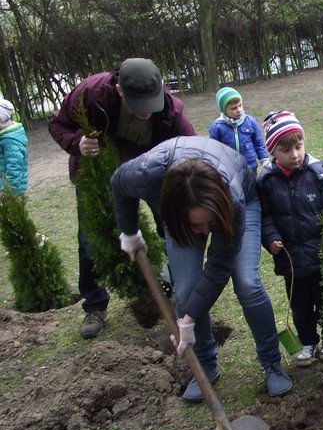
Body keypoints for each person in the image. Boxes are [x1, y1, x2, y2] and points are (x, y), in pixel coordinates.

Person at [111, 136, 292, 402]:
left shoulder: (233, 198)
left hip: (236, 201)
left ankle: (271, 362)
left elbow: (219, 265)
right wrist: (129, 232)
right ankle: (205, 366)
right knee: (185, 291)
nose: (206, 232)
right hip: (182, 209)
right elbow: (118, 182)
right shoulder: (145, 173)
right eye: (199, 226)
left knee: (247, 283)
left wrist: (189, 318)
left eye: (209, 224)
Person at [49, 58, 195, 339]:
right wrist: (76, 143)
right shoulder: (91, 94)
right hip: (100, 172)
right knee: (90, 239)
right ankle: (95, 305)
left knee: (172, 226)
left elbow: (191, 149)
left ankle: (182, 290)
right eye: (140, 106)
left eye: (150, 105)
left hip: (149, 171)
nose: (146, 113)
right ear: (119, 91)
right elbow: (58, 125)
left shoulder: (170, 112)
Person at [258, 111, 323, 366]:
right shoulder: (267, 181)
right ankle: (307, 342)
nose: (294, 154)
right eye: (286, 149)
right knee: (300, 306)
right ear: (273, 151)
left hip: (320, 254)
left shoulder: (318, 175)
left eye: (298, 146)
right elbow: (266, 215)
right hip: (290, 259)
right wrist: (270, 238)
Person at [209, 87, 268, 171]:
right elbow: (214, 150)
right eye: (234, 108)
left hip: (250, 167)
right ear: (224, 110)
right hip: (230, 170)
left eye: (240, 105)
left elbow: (258, 142)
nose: (239, 110)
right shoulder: (217, 127)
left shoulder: (250, 122)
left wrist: (264, 159)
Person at [0, 99, 28, 195]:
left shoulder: (10, 141)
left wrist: (12, 193)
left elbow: (15, 168)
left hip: (8, 191)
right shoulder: (3, 136)